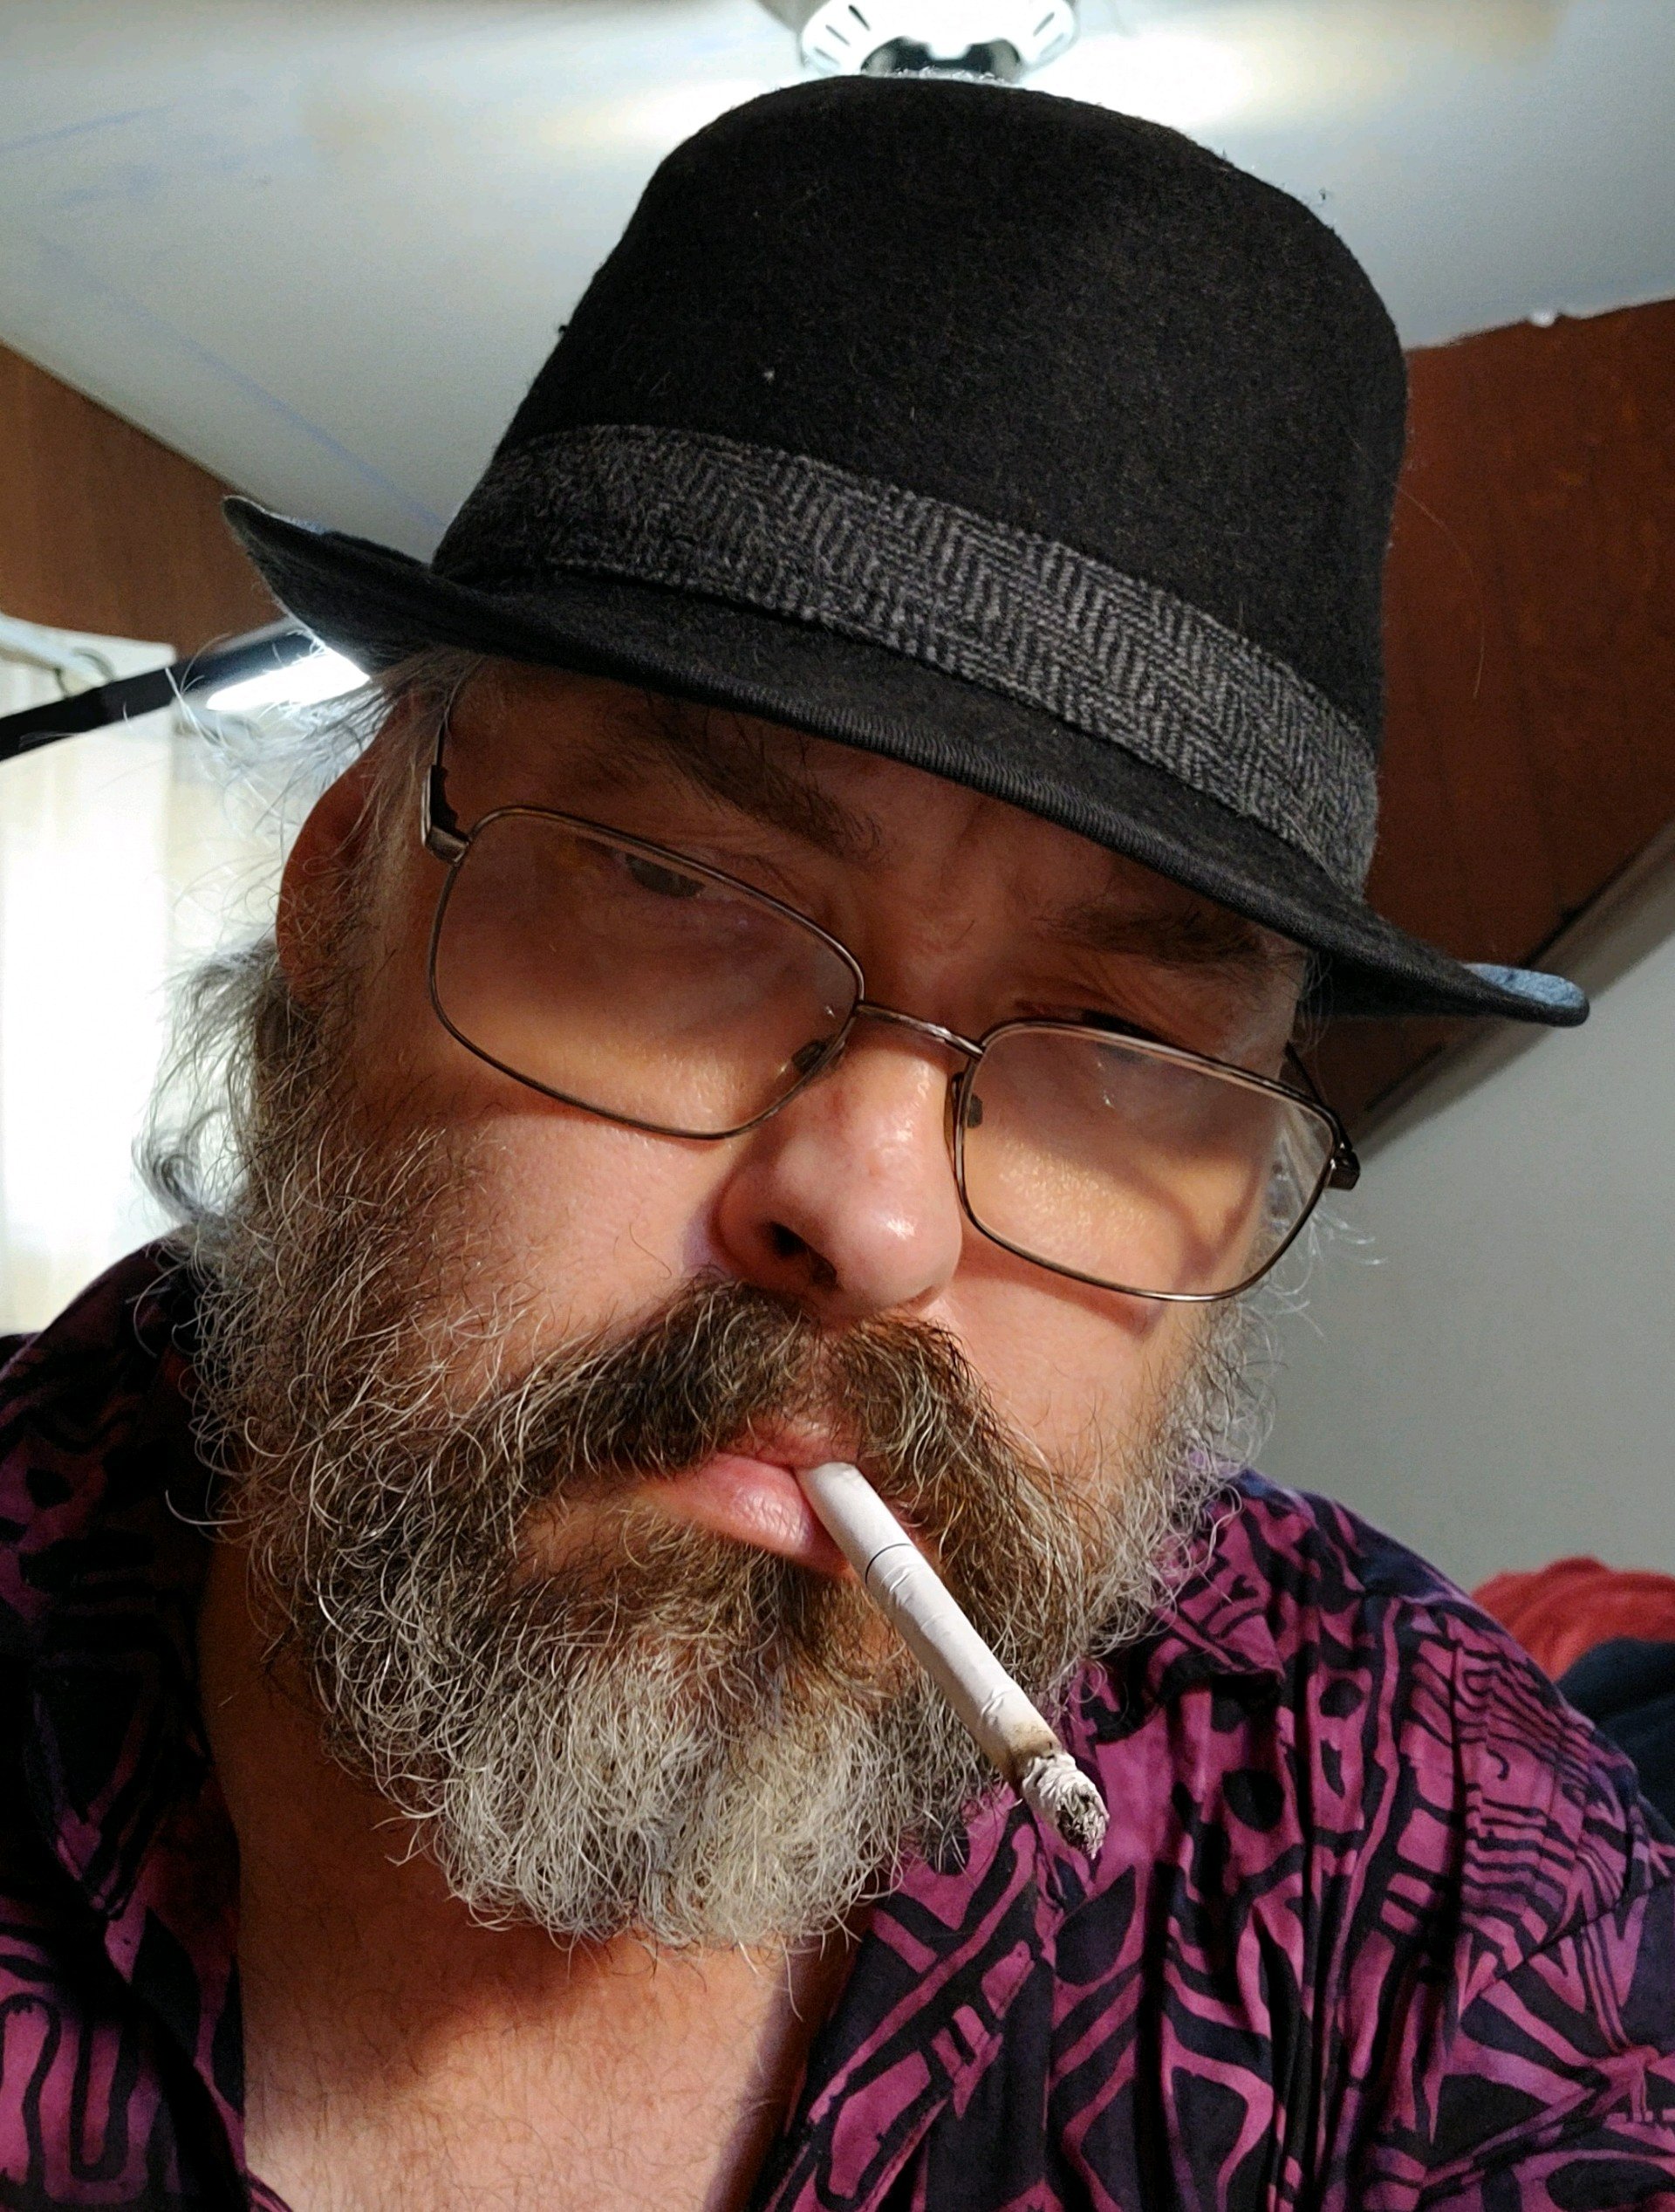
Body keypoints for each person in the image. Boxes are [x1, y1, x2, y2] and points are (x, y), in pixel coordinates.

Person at [1, 75, 1669, 2212]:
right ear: (341, 894)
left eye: (1126, 1043)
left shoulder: (1423, 1857)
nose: (869, 1215)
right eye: (679, 893)